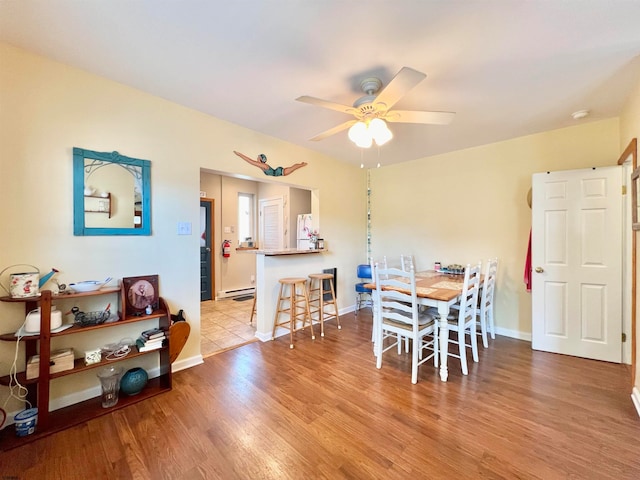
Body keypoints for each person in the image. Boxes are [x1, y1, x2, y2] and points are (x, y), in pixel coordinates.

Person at [233, 151, 307, 177]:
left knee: (293, 168)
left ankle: (302, 164)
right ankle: (301, 164)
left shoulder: (264, 166)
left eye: (258, 157)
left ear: (260, 159)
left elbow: (251, 161)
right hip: (279, 173)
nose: (257, 158)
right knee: (292, 169)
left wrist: (240, 155)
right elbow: (252, 162)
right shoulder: (261, 166)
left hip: (279, 172)